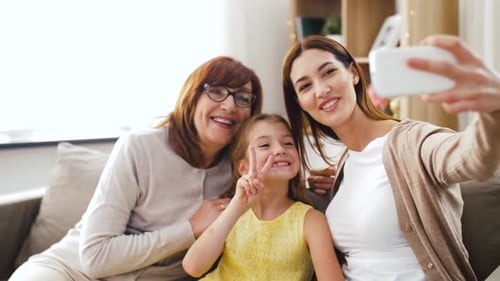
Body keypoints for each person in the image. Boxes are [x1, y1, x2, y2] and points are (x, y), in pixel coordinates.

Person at [10, 56, 263, 281]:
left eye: (243, 98)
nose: (230, 106)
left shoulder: (241, 171)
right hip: (70, 270)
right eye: (217, 91)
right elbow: (95, 256)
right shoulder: (140, 147)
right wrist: (189, 228)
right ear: (192, 96)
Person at [281, 34, 500, 281]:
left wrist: (493, 110)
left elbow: (472, 159)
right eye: (305, 86)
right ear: (300, 103)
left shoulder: (413, 142)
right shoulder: (346, 166)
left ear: (353, 73)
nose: (321, 90)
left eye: (328, 72)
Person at [182, 113, 344, 281]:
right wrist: (236, 207)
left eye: (288, 143)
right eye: (265, 145)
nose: (280, 150)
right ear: (243, 167)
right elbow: (193, 266)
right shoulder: (231, 212)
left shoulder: (311, 220)